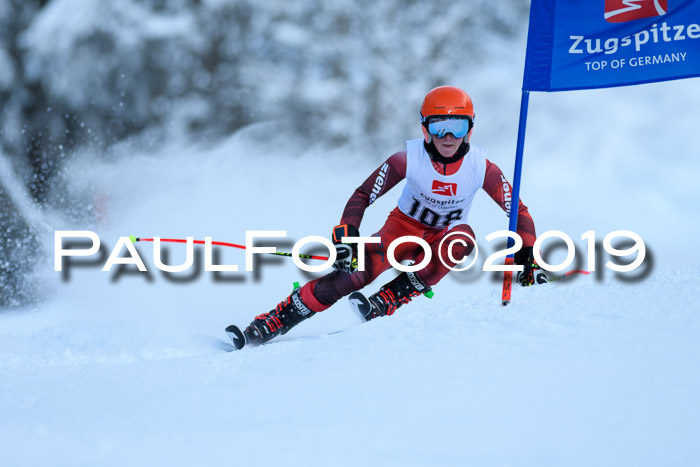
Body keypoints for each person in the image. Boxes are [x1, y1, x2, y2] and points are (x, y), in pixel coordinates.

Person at [243, 86, 546, 346]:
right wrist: (346, 235)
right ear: (425, 128)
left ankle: (389, 299)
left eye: (459, 127)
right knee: (354, 276)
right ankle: (276, 319)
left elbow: (517, 211)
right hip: (402, 230)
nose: (450, 136)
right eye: (440, 127)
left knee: (462, 238)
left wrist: (527, 251)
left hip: (444, 236)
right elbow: (363, 195)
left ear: (471, 129)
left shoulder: (481, 168)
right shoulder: (406, 160)